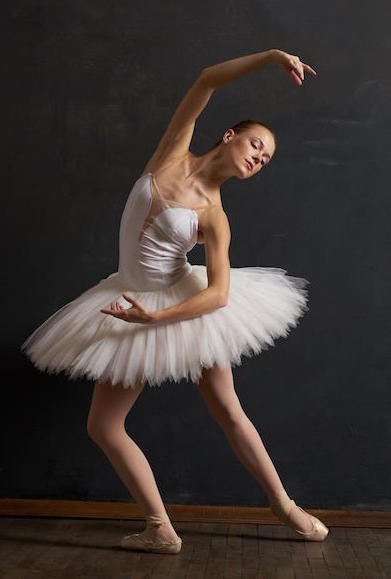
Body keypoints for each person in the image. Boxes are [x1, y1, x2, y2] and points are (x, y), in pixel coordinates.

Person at [22, 48, 328, 554]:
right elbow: (207, 79)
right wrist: (271, 56)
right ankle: (160, 528)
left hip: (180, 304)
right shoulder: (171, 153)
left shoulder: (215, 215)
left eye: (265, 159)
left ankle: (283, 505)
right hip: (127, 293)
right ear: (228, 134)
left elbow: (220, 294)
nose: (258, 158)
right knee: (102, 425)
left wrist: (156, 318)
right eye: (256, 144)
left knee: (228, 408)